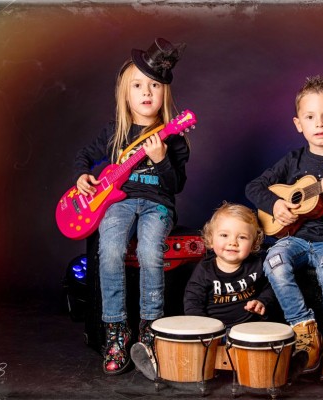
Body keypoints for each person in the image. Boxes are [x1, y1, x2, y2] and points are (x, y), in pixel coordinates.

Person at [74, 38, 189, 375]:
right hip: (118, 204)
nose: (146, 92)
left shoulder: (174, 137)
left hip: (157, 206)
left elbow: (176, 185)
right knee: (109, 250)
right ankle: (116, 330)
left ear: (164, 93)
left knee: (151, 252)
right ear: (126, 93)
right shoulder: (115, 132)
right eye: (138, 85)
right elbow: (83, 156)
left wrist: (161, 159)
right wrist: (82, 175)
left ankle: (149, 329)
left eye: (154, 85)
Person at [245, 75, 323, 384]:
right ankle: (305, 331)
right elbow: (254, 187)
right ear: (299, 124)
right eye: (311, 116)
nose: (320, 123)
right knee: (273, 260)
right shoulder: (294, 159)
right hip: (295, 238)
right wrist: (275, 206)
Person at [131, 202, 277, 381]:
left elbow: (272, 287)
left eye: (242, 237)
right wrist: (202, 329)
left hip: (246, 330)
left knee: (266, 344)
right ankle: (157, 366)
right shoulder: (205, 270)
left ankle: (285, 366)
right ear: (211, 238)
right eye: (224, 235)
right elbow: (192, 300)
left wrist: (262, 301)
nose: (232, 242)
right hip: (212, 333)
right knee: (187, 349)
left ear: (254, 242)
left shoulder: (257, 265)